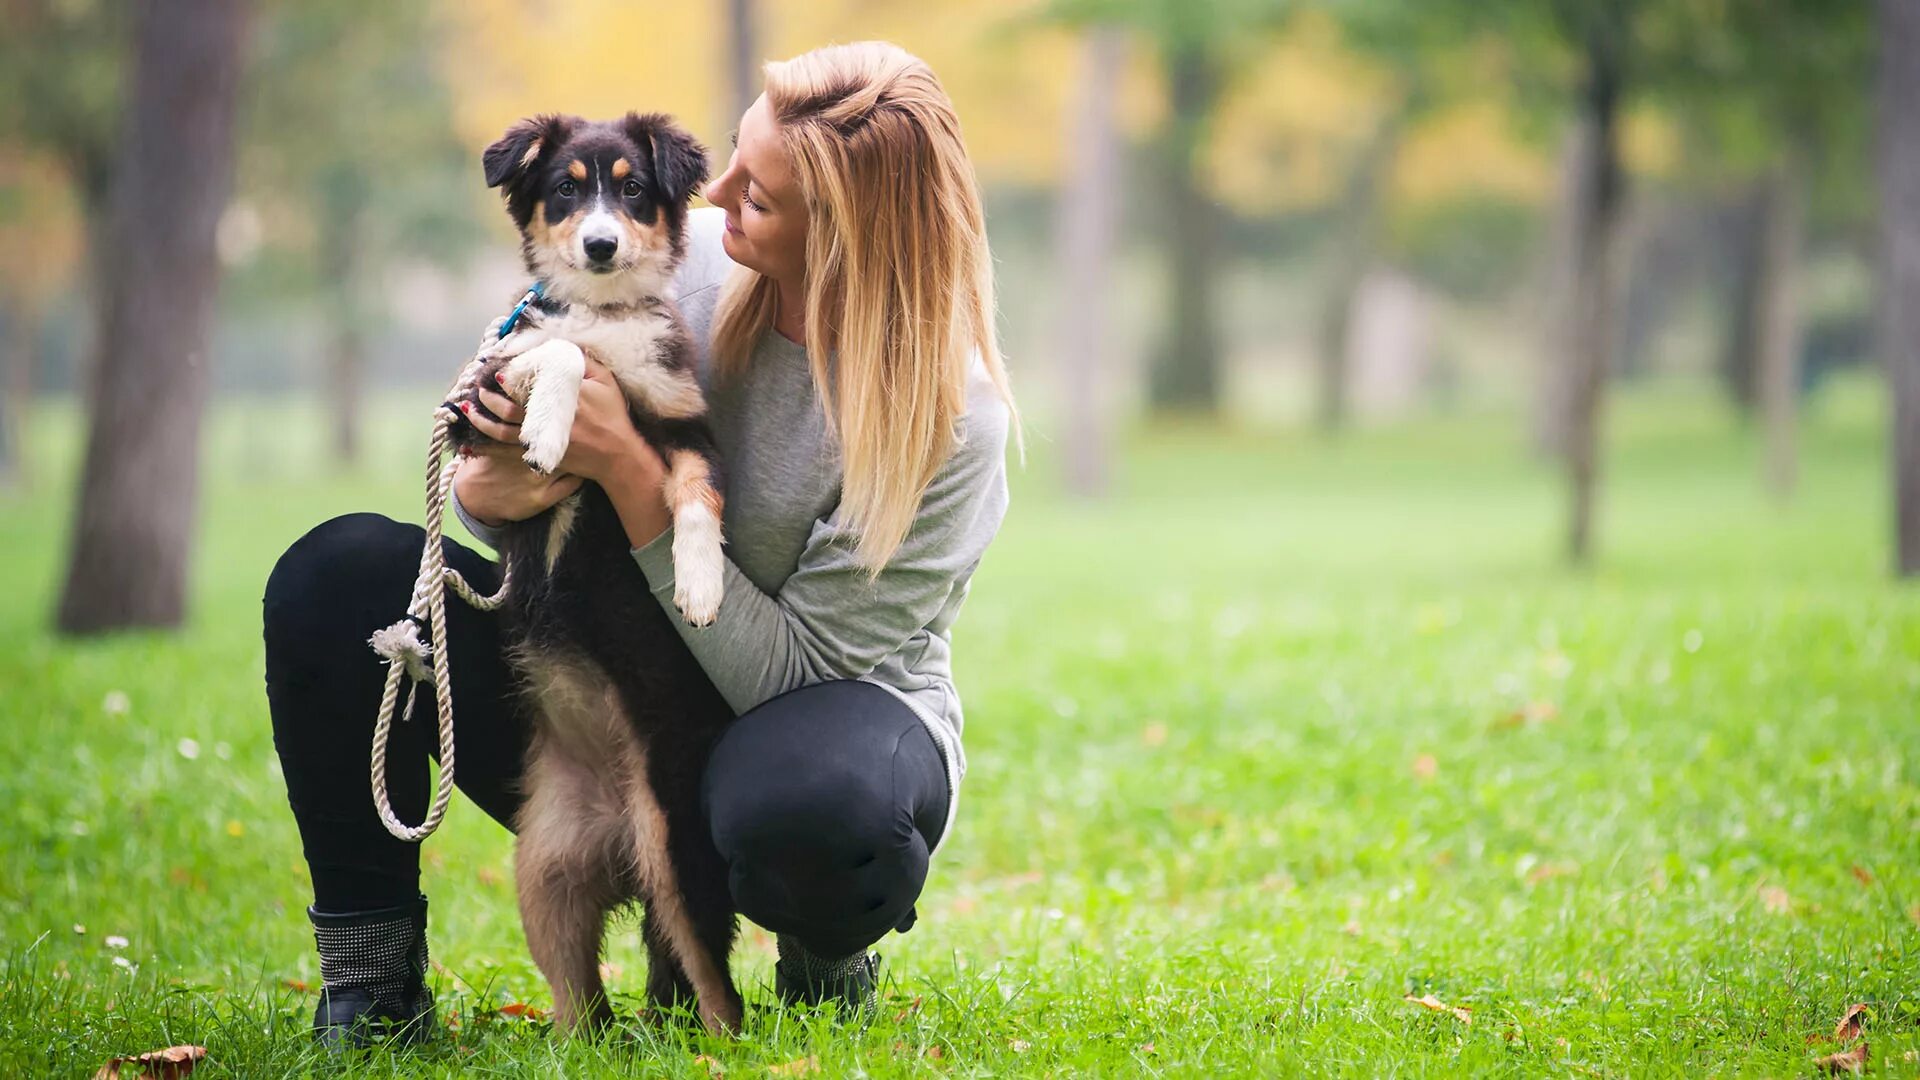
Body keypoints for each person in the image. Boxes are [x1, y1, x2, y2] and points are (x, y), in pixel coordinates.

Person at [260, 40, 1018, 1047]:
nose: (715, 192)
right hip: (585, 673)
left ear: (841, 232)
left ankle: (822, 950)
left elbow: (799, 674)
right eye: (737, 153)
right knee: (338, 578)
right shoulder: (661, 249)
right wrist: (507, 467)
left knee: (814, 798)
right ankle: (373, 984)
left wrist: (628, 469)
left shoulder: (949, 415)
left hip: (805, 721)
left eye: (761, 193)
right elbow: (481, 487)